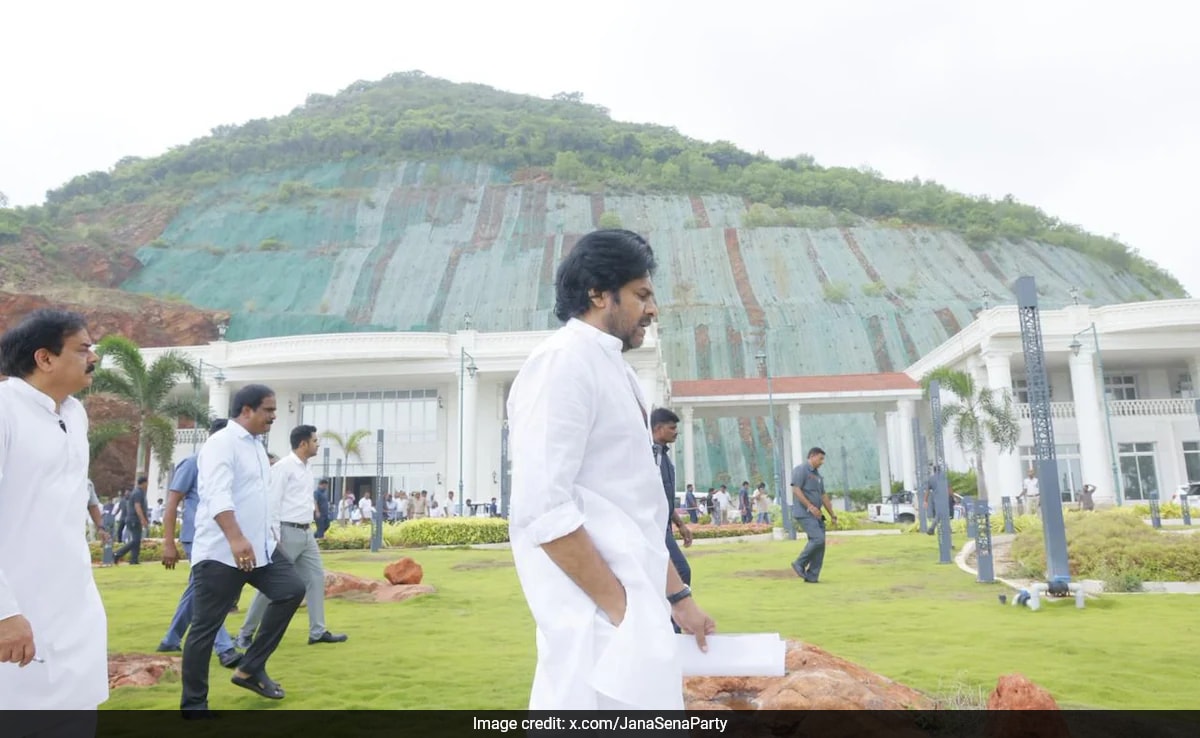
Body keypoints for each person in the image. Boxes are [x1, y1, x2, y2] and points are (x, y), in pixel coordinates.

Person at [507, 229, 715, 710]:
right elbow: (543, 510)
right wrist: (621, 611)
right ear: (599, 293)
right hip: (595, 629)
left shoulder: (618, 372)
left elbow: (634, 511)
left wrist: (678, 600)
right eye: (641, 295)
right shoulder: (561, 363)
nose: (653, 308)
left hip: (634, 615)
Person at [0, 309, 108, 722]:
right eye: (82, 349)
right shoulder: (5, 410)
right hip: (15, 617)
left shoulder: (74, 415)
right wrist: (4, 612)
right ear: (44, 358)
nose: (93, 358)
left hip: (73, 615)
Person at [181, 384, 305, 714]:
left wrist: (269, 537)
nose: (274, 416)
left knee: (292, 589)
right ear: (246, 411)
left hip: (261, 550)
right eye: (268, 410)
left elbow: (259, 499)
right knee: (205, 629)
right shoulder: (221, 444)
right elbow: (217, 495)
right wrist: (236, 538)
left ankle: (250, 669)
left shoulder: (256, 446)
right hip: (222, 553)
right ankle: (194, 705)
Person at [236, 425, 347, 650]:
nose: (318, 444)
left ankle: (317, 631)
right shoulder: (284, 467)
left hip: (306, 533)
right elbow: (273, 502)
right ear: (303, 443)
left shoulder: (307, 468)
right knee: (273, 584)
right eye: (315, 441)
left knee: (316, 579)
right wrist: (274, 536)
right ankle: (245, 634)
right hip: (286, 533)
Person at [157, 418, 242, 667]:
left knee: (197, 590)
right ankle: (224, 648)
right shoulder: (193, 463)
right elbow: (172, 503)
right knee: (208, 592)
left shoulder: (227, 466)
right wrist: (168, 543)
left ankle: (171, 639)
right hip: (197, 538)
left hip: (219, 537)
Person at [651, 407, 694, 633]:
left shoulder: (664, 457)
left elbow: (664, 497)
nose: (676, 432)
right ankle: (673, 626)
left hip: (665, 524)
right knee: (681, 570)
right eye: (672, 428)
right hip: (653, 526)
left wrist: (680, 523)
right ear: (658, 429)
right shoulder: (651, 456)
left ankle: (669, 625)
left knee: (669, 573)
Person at [790, 447, 837, 583]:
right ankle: (799, 563)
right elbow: (796, 489)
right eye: (820, 458)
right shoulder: (801, 469)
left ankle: (812, 576)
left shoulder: (818, 476)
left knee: (820, 544)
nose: (822, 462)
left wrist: (832, 515)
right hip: (804, 513)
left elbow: (823, 496)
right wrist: (809, 506)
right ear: (812, 456)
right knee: (818, 539)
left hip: (817, 514)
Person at [114, 475, 150, 564]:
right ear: (144, 483)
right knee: (136, 540)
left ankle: (134, 559)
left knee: (136, 540)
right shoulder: (137, 492)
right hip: (134, 519)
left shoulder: (140, 492)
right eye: (147, 483)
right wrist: (142, 519)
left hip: (135, 519)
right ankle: (117, 553)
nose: (148, 485)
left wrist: (145, 518)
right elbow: (137, 506)